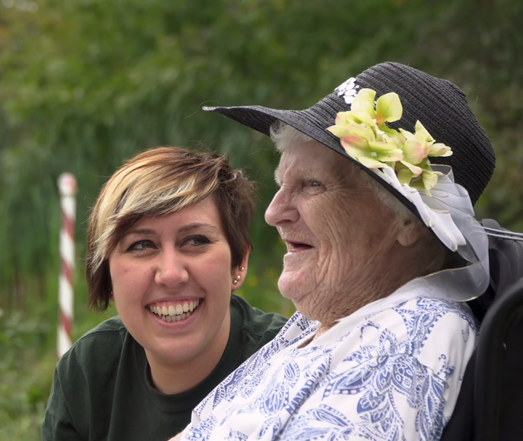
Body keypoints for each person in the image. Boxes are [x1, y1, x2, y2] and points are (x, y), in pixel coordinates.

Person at [171, 62, 496, 440]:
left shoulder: (412, 336)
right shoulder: (323, 323)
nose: (274, 212)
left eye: (312, 184)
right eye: (282, 184)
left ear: (409, 222)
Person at [41, 146, 288, 441]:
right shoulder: (86, 374)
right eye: (142, 245)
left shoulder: (291, 365)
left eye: (195, 240)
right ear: (105, 273)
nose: (171, 274)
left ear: (240, 260)